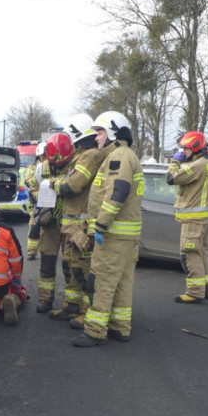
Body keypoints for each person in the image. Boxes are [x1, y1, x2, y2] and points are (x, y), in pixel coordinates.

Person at [71, 112, 143, 347]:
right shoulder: (127, 155)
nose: (97, 137)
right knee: (122, 283)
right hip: (126, 237)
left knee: (100, 281)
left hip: (112, 236)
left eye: (100, 132)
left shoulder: (118, 157)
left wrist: (100, 225)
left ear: (113, 132)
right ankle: (120, 328)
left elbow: (117, 192)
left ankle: (94, 331)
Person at [49, 113, 104, 324]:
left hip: (81, 226)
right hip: (71, 225)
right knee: (70, 268)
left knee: (82, 271)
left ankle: (86, 311)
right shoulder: (80, 156)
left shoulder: (89, 156)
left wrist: (54, 184)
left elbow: (73, 185)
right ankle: (71, 307)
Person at [166, 131, 208, 303]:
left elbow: (170, 178)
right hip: (204, 219)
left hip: (193, 219)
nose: (184, 152)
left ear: (195, 148)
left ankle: (195, 292)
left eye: (186, 149)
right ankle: (205, 290)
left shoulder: (196, 166)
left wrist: (175, 161)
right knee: (202, 253)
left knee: (190, 254)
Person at [35, 132, 74, 313]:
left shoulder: (76, 166)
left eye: (61, 163)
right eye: (54, 163)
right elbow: (34, 190)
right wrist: (42, 208)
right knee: (47, 262)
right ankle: (45, 299)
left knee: (71, 265)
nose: (57, 166)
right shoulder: (41, 168)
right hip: (49, 223)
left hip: (69, 223)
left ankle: (71, 302)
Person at [24, 142, 47, 260]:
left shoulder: (52, 165)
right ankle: (31, 252)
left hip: (49, 201)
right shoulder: (33, 167)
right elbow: (27, 180)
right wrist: (36, 181)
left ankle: (46, 250)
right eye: (43, 155)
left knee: (49, 228)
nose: (45, 158)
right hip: (37, 202)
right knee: (34, 227)